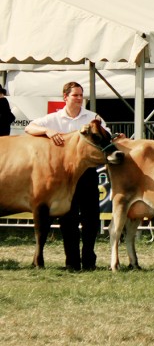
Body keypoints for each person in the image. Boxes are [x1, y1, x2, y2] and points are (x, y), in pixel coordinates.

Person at [24, 81, 108, 271]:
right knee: (68, 220)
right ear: (65, 97)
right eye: (75, 95)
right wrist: (47, 130)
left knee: (91, 219)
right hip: (65, 178)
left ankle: (89, 260)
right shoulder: (54, 118)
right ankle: (71, 262)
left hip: (86, 174)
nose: (79, 98)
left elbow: (106, 136)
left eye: (81, 95)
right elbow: (29, 128)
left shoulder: (92, 118)